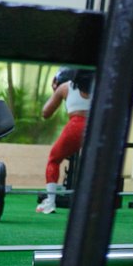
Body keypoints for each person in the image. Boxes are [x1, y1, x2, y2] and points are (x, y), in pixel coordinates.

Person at [37, 68, 93, 214]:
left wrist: (57, 93)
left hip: (76, 126)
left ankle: (50, 202)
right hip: (96, 128)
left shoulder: (64, 87)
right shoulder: (102, 87)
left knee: (54, 159)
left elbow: (45, 113)